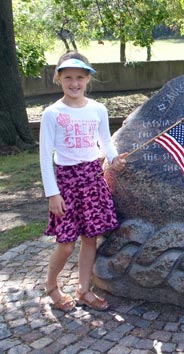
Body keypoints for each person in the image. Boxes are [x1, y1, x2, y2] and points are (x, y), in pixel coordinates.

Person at [39, 51, 128, 311]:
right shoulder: (52, 113)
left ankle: (83, 290)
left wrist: (113, 159)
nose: (74, 83)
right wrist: (52, 194)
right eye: (68, 77)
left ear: (88, 79)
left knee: (91, 238)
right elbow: (45, 157)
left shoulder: (98, 109)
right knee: (66, 245)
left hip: (92, 179)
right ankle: (52, 286)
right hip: (66, 183)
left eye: (80, 77)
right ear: (59, 78)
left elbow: (105, 141)